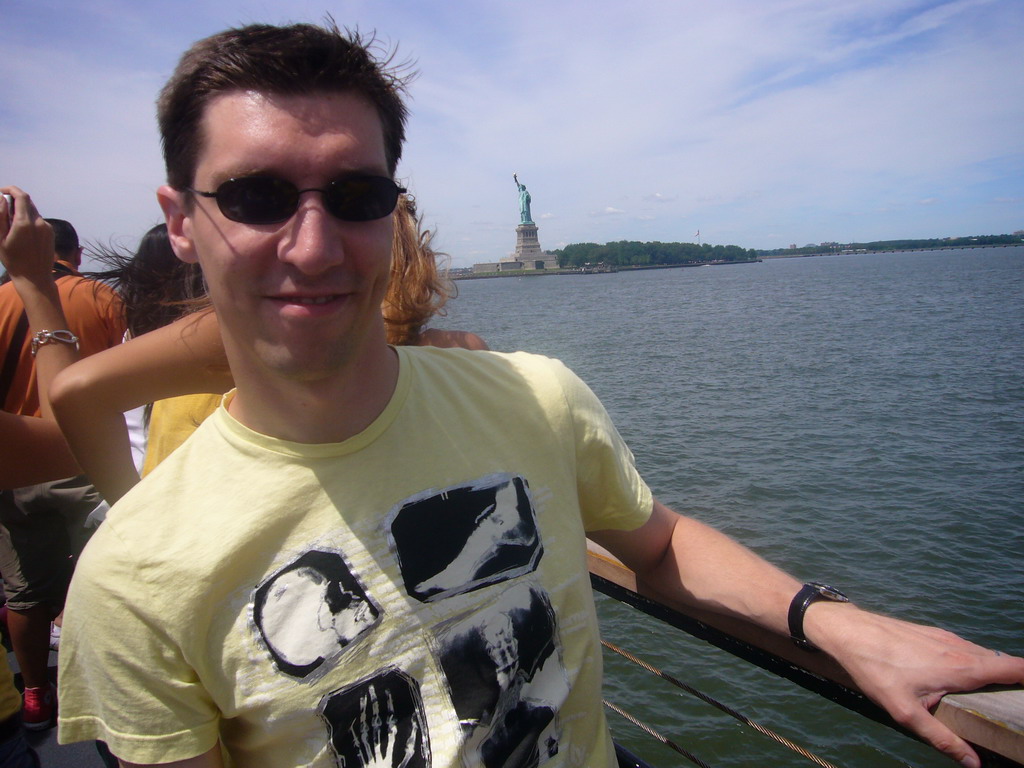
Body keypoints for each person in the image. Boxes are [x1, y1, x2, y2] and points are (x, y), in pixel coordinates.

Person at [56, 22, 1022, 768]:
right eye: (258, 196)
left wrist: (837, 622)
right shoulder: (132, 582)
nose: (312, 245)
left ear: (394, 212)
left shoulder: (535, 399)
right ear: (180, 221)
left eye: (355, 196)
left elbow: (657, 538)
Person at [49, 192, 486, 505]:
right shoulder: (455, 355)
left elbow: (81, 392)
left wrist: (132, 516)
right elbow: (80, 392)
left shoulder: (257, 331)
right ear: (415, 256)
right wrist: (137, 526)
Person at [0, 200, 125, 732]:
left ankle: (34, 692)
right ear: (74, 253)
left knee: (24, 592)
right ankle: (107, 690)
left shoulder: (0, 299)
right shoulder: (101, 296)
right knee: (106, 578)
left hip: (14, 464)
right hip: (83, 458)